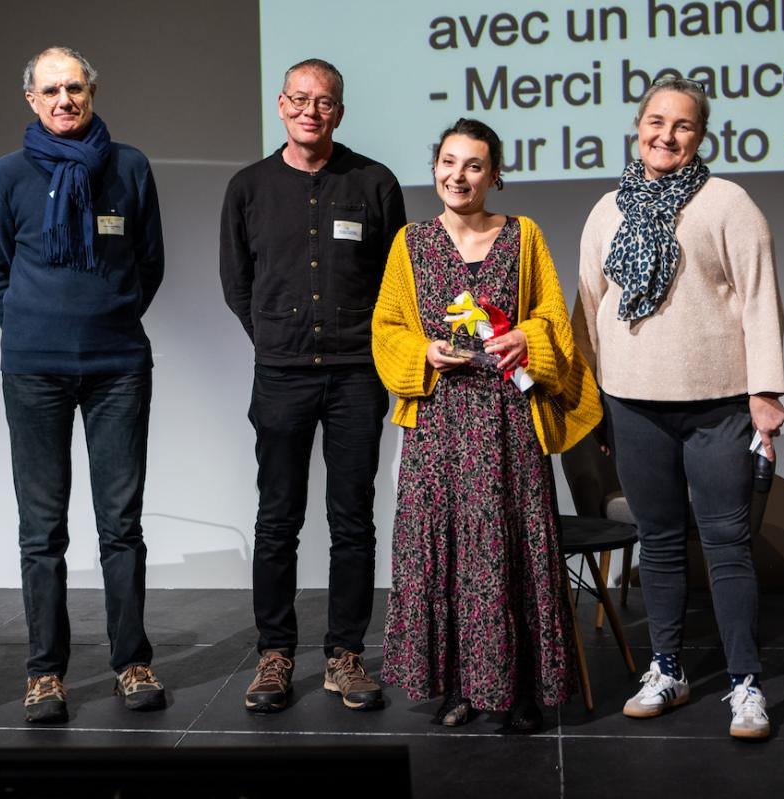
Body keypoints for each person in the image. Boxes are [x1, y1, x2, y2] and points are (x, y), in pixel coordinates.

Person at [571, 77, 784, 739]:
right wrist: (595, 402)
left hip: (718, 403)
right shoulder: (608, 208)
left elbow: (758, 297)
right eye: (656, 121)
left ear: (700, 135)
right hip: (632, 402)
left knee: (726, 544)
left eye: (683, 125)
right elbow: (587, 308)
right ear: (638, 125)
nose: (667, 134)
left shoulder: (729, 202)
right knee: (658, 545)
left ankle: (746, 684)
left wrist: (766, 392)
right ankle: (668, 668)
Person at [372, 118, 601, 732]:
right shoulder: (410, 242)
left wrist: (527, 336)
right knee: (444, 553)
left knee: (511, 549)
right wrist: (422, 352)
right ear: (435, 167)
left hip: (506, 420)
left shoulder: (523, 235)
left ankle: (520, 686)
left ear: (494, 175)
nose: (459, 175)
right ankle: (458, 685)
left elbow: (553, 315)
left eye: (474, 165)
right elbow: (388, 328)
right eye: (449, 162)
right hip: (439, 422)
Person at [0, 46, 166, 724]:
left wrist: (106, 319)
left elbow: (149, 264)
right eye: (52, 89)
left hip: (118, 367)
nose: (65, 99)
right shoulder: (6, 176)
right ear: (31, 99)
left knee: (121, 524)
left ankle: (132, 660)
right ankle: (45, 672)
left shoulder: (130, 166)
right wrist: (33, 328)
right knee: (42, 529)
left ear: (93, 92)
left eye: (76, 88)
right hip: (33, 371)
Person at [220, 58, 406, 713]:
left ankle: (345, 655)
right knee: (278, 520)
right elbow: (236, 282)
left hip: (358, 376)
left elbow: (396, 284)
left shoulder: (375, 183)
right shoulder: (248, 187)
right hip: (281, 377)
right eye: (299, 99)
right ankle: (274, 655)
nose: (310, 110)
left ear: (339, 112)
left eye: (323, 102)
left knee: (352, 520)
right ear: (280, 105)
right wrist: (275, 338)